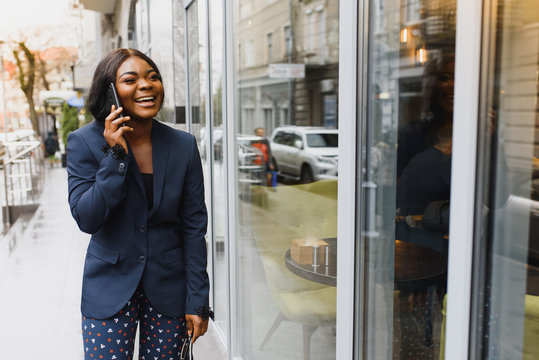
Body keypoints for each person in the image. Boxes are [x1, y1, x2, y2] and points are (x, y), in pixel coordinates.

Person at [66, 48, 212, 360]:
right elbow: (87, 218)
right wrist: (116, 156)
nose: (146, 85)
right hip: (109, 288)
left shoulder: (183, 145)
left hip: (169, 289)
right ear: (111, 92)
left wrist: (198, 300)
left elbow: (193, 227)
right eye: (131, 79)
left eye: (153, 77)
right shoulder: (85, 142)